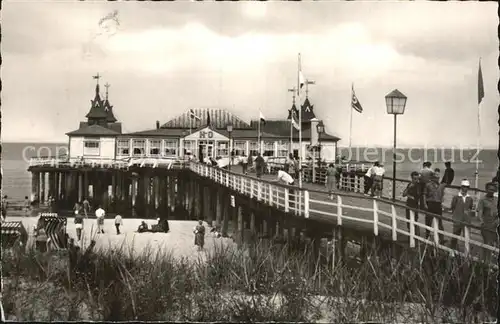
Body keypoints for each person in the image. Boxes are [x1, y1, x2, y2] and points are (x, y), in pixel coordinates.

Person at [450, 179, 474, 251]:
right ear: (461, 187)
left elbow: (470, 207)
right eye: (464, 186)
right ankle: (452, 251)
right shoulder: (456, 197)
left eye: (467, 187)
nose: (465, 188)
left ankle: (466, 253)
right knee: (455, 236)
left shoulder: (470, 198)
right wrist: (456, 215)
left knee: (467, 237)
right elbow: (453, 207)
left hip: (466, 220)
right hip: (457, 219)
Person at [422, 173, 446, 243]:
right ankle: (427, 237)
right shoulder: (428, 185)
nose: (438, 179)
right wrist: (425, 204)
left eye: (438, 178)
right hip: (430, 204)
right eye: (436, 178)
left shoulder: (441, 186)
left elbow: (442, 195)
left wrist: (442, 202)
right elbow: (424, 195)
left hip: (438, 204)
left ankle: (441, 239)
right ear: (433, 178)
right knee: (428, 221)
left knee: (440, 223)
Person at [476, 182, 498, 255]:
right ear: (486, 189)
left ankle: (494, 263)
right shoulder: (482, 200)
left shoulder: (496, 200)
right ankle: (485, 262)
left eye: (493, 189)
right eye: (490, 189)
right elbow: (480, 213)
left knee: (496, 244)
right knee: (487, 244)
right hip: (486, 225)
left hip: (495, 225)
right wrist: (482, 222)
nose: (491, 191)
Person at [402, 171, 422, 236]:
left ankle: (415, 236)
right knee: (408, 220)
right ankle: (410, 234)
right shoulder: (409, 184)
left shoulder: (418, 186)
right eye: (414, 179)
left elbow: (417, 197)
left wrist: (409, 196)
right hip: (408, 204)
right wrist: (409, 188)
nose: (416, 180)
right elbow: (403, 194)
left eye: (417, 179)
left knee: (415, 220)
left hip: (415, 205)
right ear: (412, 178)